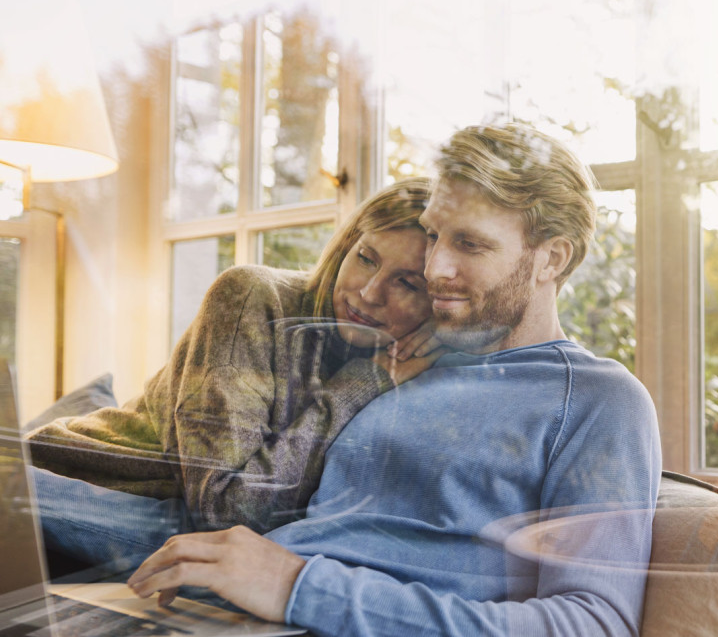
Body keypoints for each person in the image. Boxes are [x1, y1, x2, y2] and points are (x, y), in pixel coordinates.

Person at [54, 123, 661, 636]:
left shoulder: (598, 400)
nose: (436, 267)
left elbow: (592, 623)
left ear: (552, 258)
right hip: (206, 604)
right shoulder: (399, 360)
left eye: (470, 244)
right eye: (434, 236)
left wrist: (297, 585)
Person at [25, 178, 444, 534]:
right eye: (365, 258)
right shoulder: (253, 298)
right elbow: (225, 511)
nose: (368, 292)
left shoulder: (420, 360)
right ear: (346, 246)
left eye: (407, 284)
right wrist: (363, 383)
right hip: (59, 478)